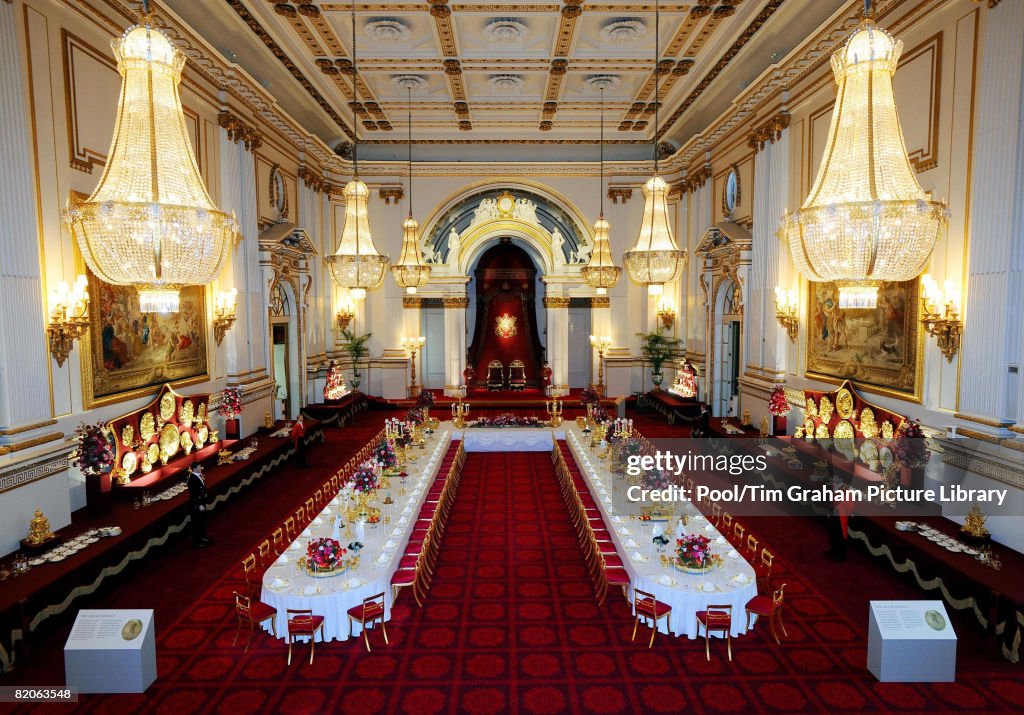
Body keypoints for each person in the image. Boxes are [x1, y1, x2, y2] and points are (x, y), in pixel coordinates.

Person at [187, 464, 212, 548]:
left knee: (202, 521)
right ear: (194, 469)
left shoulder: (198, 475)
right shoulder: (192, 479)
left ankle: (203, 537)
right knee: (196, 524)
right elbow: (193, 494)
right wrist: (199, 505)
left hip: (202, 502)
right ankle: (197, 542)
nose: (201, 468)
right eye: (199, 467)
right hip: (196, 505)